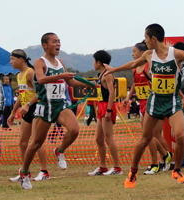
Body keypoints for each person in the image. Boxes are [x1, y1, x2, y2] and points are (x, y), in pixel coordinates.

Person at [104, 23, 184, 188]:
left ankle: (177, 170)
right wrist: (113, 70)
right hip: (155, 102)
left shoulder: (176, 54)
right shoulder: (148, 54)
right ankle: (133, 172)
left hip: (173, 102)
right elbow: (132, 65)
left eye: (146, 38)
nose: (145, 41)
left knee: (180, 135)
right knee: (145, 139)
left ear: (152, 38)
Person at [20, 32, 92, 189]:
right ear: (45, 45)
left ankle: (59, 151)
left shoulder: (60, 62)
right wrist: (61, 75)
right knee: (36, 143)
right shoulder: (40, 62)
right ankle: (24, 172)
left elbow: (70, 82)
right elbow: (40, 79)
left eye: (59, 41)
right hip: (45, 105)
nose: (58, 44)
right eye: (54, 41)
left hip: (60, 105)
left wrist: (89, 85)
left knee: (74, 130)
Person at [123, 42, 172, 175]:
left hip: (153, 103)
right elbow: (135, 83)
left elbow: (160, 80)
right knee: (151, 135)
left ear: (143, 53)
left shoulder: (148, 66)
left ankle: (156, 163)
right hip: (142, 104)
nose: (133, 54)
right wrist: (129, 97)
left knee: (150, 135)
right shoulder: (135, 69)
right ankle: (166, 156)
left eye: (134, 51)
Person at [7, 49, 50, 182]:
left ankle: (44, 172)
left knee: (37, 141)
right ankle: (26, 172)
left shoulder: (30, 72)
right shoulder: (19, 75)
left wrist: (28, 105)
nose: (11, 62)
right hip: (27, 110)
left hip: (36, 108)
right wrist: (13, 112)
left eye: (13, 59)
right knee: (23, 142)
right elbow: (21, 95)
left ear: (22, 59)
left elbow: (41, 93)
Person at [88, 50, 122, 176]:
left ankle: (117, 167)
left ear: (99, 62)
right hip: (101, 107)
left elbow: (112, 93)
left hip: (107, 107)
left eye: (94, 61)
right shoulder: (100, 74)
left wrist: (108, 110)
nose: (93, 63)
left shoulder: (107, 74)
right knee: (98, 139)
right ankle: (102, 166)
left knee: (109, 138)